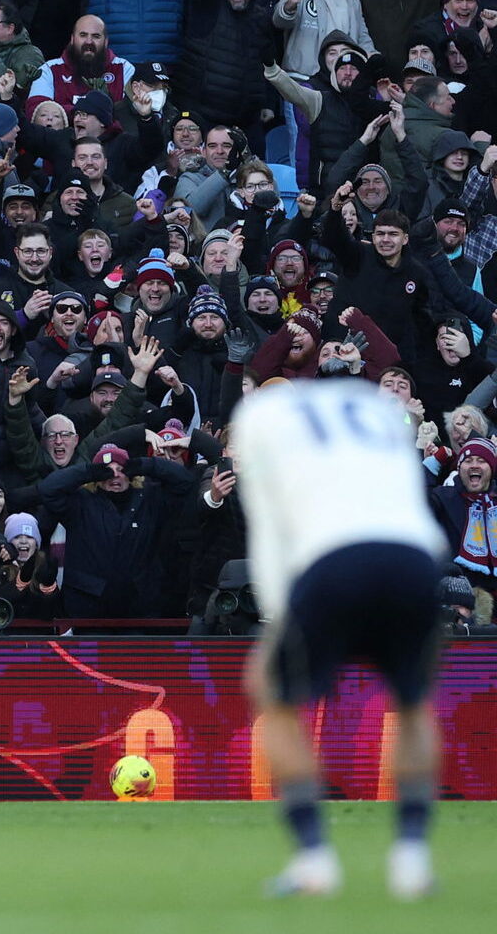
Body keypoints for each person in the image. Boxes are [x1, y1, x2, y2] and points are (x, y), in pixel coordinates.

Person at [235, 380, 447, 899]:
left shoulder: (260, 415)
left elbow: (268, 529)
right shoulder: (376, 405)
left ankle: (313, 860)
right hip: (415, 556)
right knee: (414, 702)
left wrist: (279, 617)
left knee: (272, 691)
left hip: (330, 558)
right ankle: (412, 860)